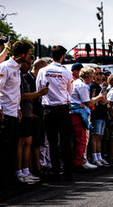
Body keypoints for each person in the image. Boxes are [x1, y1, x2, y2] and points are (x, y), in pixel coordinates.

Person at [0, 41, 33, 188]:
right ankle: (1, 180)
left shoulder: (17, 69)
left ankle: (10, 178)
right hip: (5, 114)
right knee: (4, 149)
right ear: (22, 55)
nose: (30, 57)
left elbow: (13, 92)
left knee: (12, 147)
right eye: (29, 55)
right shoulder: (5, 67)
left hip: (14, 113)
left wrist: (18, 110)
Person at [36, 45, 74, 181]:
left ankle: (56, 171)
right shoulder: (66, 72)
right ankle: (68, 172)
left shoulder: (42, 70)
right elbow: (70, 91)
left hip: (48, 109)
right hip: (63, 109)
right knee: (65, 141)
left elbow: (38, 88)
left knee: (52, 142)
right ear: (62, 56)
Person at [16, 55, 48, 184]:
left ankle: (28, 170)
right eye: (28, 63)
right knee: (23, 143)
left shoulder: (34, 78)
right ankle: (22, 171)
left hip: (32, 114)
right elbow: (21, 96)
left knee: (31, 143)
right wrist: (38, 94)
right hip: (24, 114)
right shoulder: (24, 77)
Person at [70, 67, 105, 170]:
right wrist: (98, 98)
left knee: (77, 139)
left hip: (74, 112)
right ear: (88, 76)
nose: (93, 78)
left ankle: (80, 161)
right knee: (82, 138)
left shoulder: (75, 82)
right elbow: (88, 103)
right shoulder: (82, 85)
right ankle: (79, 162)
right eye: (93, 76)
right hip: (79, 113)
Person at [89, 67, 110, 167]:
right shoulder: (93, 85)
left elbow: (104, 100)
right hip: (96, 114)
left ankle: (99, 156)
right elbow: (101, 100)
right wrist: (105, 101)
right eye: (99, 73)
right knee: (95, 136)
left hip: (102, 115)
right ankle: (94, 157)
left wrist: (105, 101)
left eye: (101, 73)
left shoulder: (99, 86)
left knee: (100, 137)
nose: (101, 75)